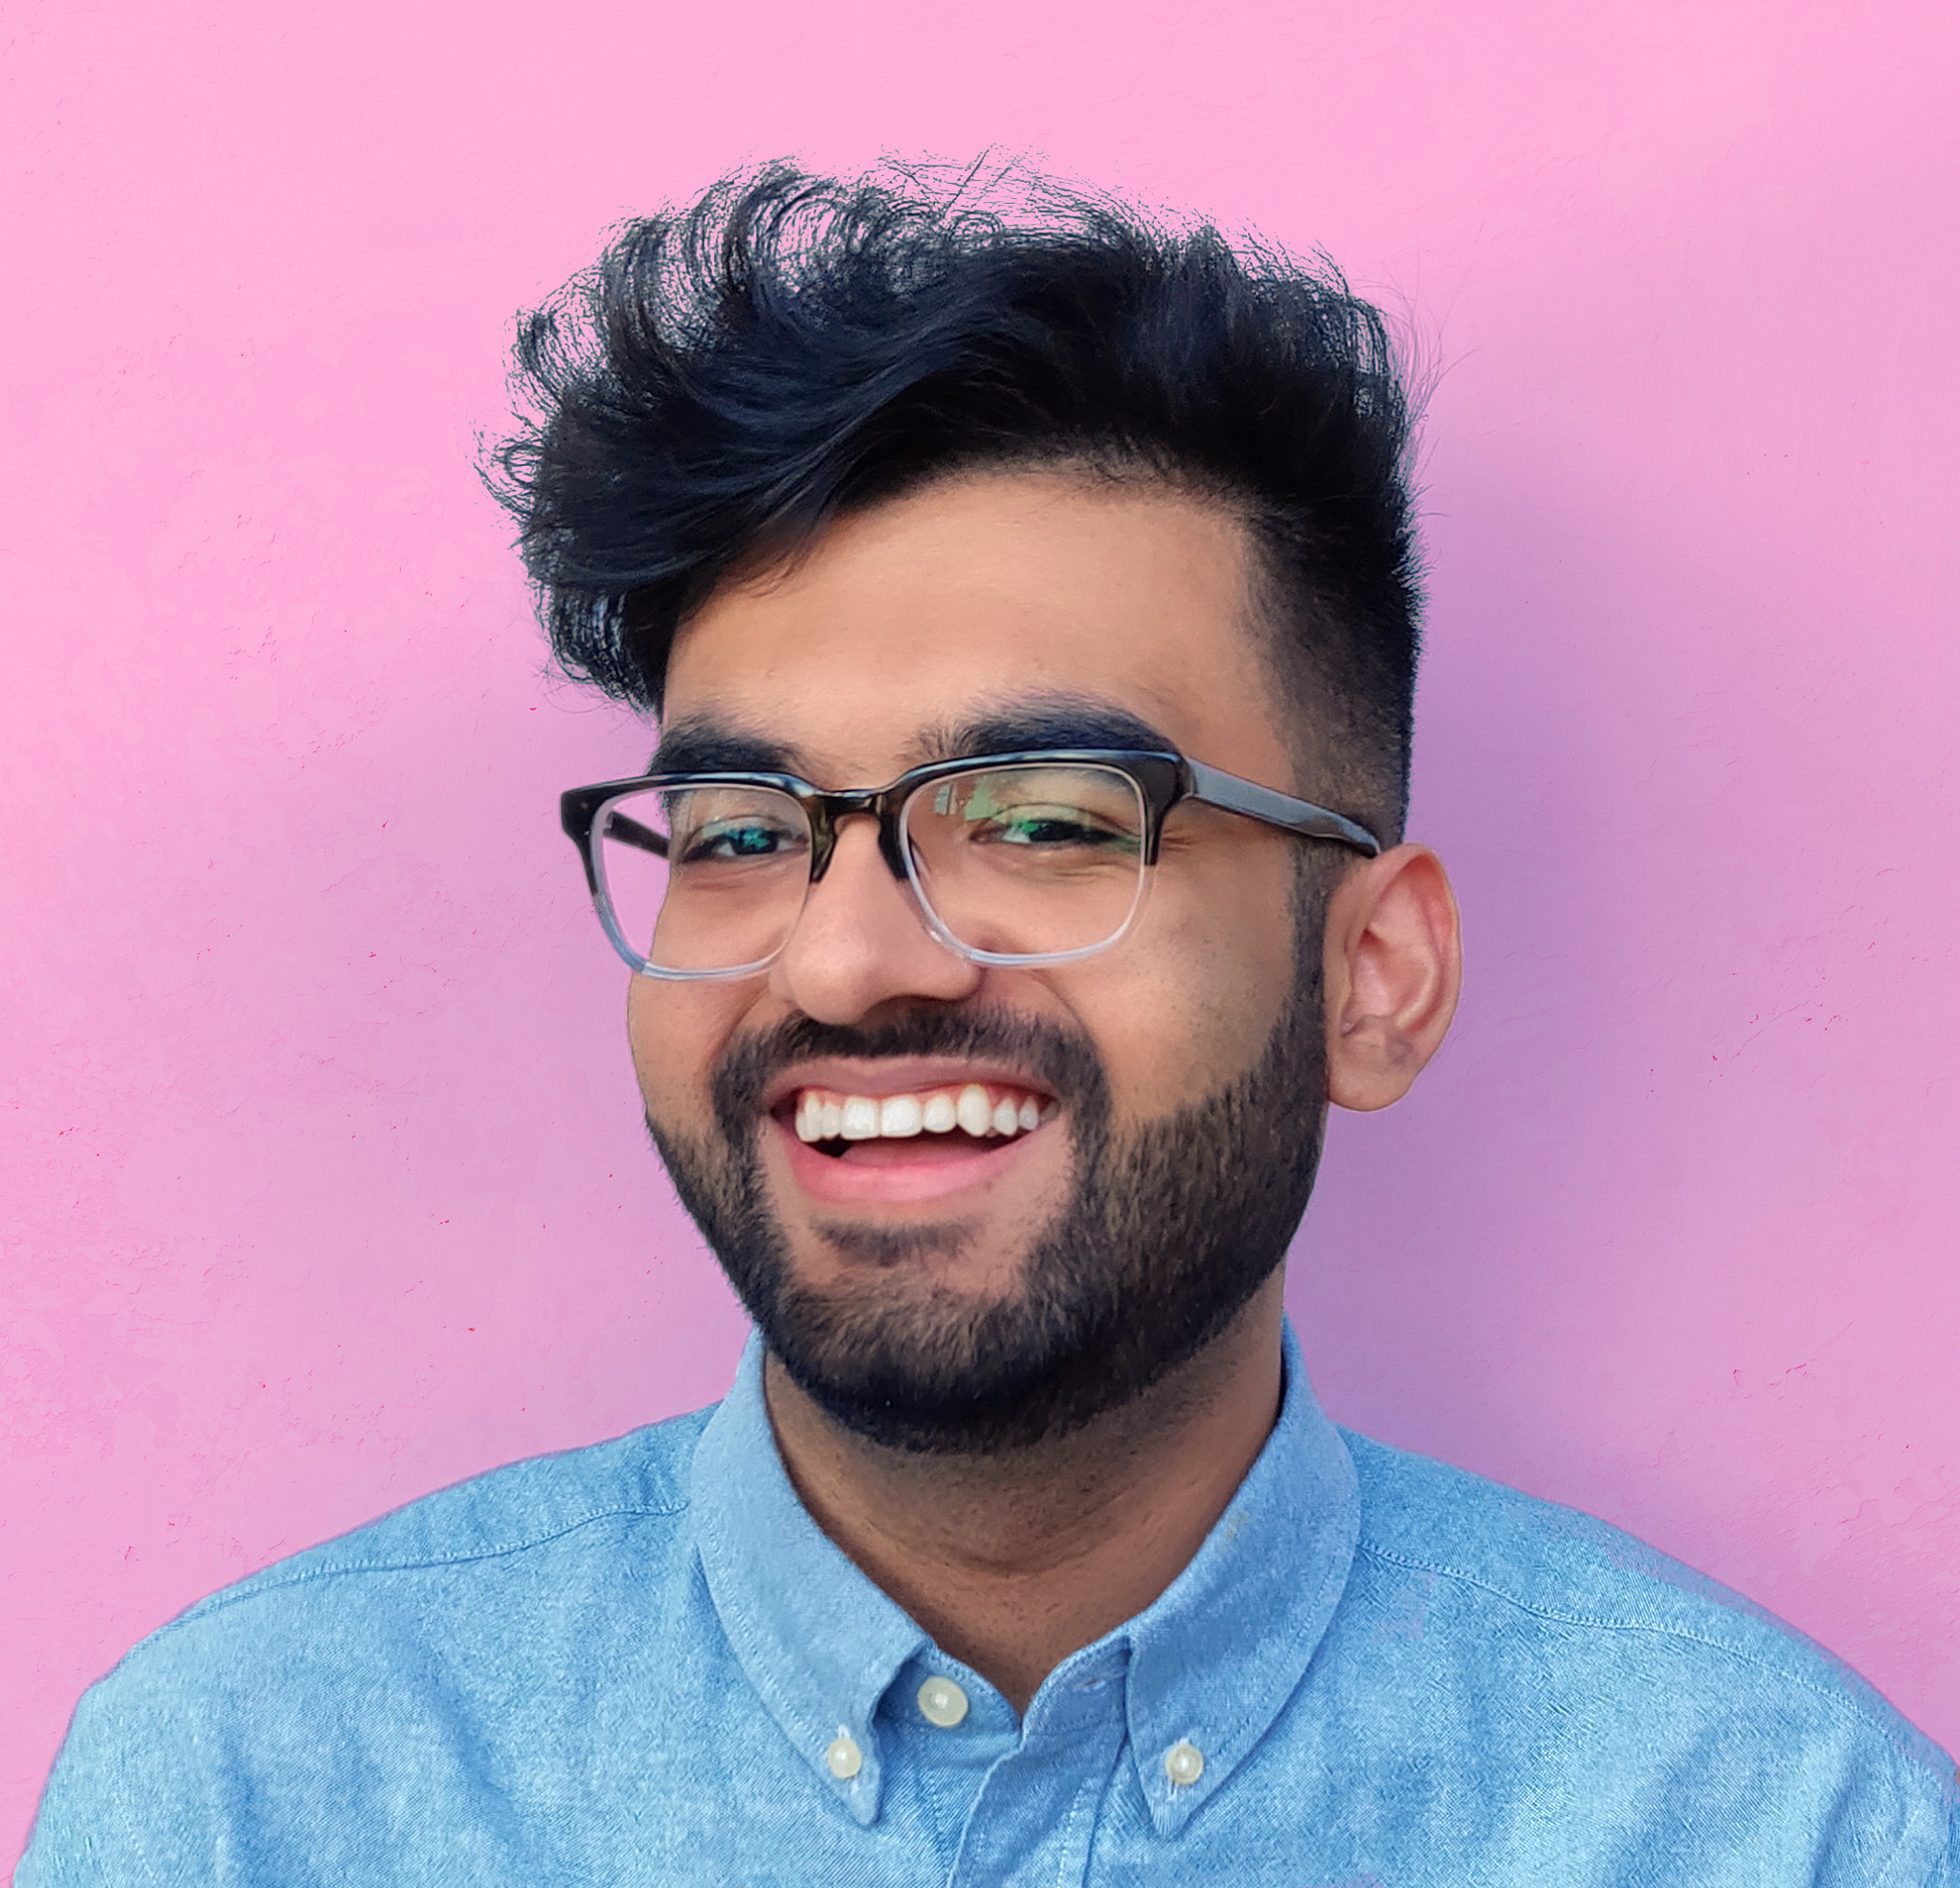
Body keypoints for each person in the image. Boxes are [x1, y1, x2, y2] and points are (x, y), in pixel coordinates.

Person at [21, 164, 1956, 1886]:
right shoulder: (250, 1807)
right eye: (738, 831)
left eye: (1042, 818)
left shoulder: (1761, 1829)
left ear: (1372, 976)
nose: (845, 961)